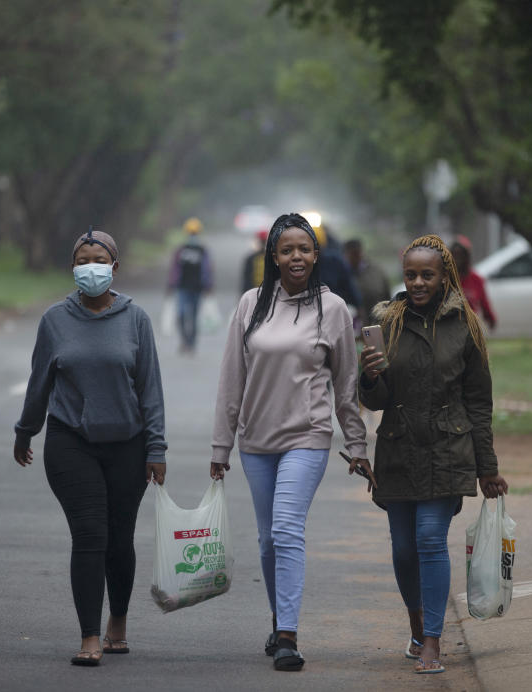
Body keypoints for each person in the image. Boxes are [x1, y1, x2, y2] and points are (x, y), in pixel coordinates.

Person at [210, 212, 374, 672]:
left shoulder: (334, 309)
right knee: (267, 541)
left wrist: (357, 445)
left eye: (304, 248)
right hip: (256, 443)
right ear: (274, 257)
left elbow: (346, 385)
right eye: (287, 250)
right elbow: (231, 380)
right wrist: (220, 447)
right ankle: (278, 617)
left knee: (285, 529)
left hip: (308, 437)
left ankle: (288, 635)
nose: (296, 256)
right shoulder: (250, 305)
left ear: (316, 254)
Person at [13, 229, 167, 667]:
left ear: (114, 267)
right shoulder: (54, 320)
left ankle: (118, 620)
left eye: (99, 259)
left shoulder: (136, 319)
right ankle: (90, 635)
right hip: (70, 442)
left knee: (120, 539)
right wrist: (26, 430)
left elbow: (150, 389)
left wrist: (156, 449)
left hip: (129, 445)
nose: (90, 266)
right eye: (82, 259)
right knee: (90, 535)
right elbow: (39, 380)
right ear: (73, 267)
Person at [359, 234, 508, 674]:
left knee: (428, 539)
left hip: (448, 447)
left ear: (445, 276)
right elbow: (377, 400)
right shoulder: (389, 323)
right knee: (404, 549)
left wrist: (488, 468)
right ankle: (416, 622)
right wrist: (370, 378)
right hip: (399, 449)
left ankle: (433, 642)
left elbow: (480, 402)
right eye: (411, 275)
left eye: (428, 274)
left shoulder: (466, 324)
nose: (418, 282)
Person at [167, 217, 214, 354]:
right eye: (191, 233)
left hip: (197, 288)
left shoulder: (202, 250)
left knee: (193, 316)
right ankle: (185, 340)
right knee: (181, 314)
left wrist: (208, 285)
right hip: (182, 287)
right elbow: (175, 269)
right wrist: (171, 284)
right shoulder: (181, 249)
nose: (192, 235)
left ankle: (191, 343)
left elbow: (207, 269)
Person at [343, 238, 392, 329]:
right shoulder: (342, 275)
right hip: (354, 330)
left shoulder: (377, 271)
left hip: (380, 325)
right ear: (346, 255)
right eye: (352, 254)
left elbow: (388, 298)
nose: (355, 257)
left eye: (357, 253)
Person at [450, 235, 497, 330]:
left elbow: (484, 304)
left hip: (470, 330)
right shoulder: (444, 278)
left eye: (461, 255)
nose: (457, 259)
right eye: (454, 254)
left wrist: (491, 319)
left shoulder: (476, 279)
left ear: (467, 257)